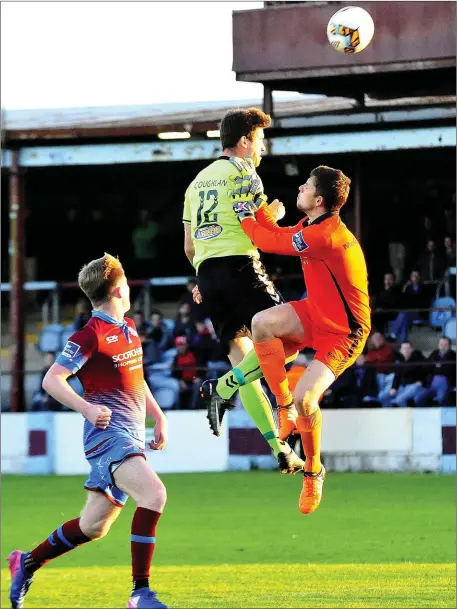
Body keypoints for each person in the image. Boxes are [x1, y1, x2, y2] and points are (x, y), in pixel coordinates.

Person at [202, 162, 371, 514]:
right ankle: (281, 405)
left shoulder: (323, 235)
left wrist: (245, 213)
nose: (300, 189)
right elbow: (276, 231)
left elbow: (269, 241)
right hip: (315, 312)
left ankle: (313, 471)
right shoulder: (314, 225)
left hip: (345, 332)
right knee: (262, 323)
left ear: (319, 199)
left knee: (307, 399)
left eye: (306, 186)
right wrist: (260, 209)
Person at [8, 253, 169, 609]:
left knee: (94, 526)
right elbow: (53, 379)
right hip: (109, 437)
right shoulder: (89, 335)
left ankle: (26, 562)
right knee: (154, 495)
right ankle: (140, 592)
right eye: (126, 280)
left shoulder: (128, 328)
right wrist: (86, 407)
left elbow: (136, 379)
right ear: (118, 289)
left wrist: (158, 416)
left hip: (129, 434)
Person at [183, 107, 304, 474]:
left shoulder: (196, 183)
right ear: (244, 141)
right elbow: (260, 232)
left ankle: (279, 448)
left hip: (207, 273)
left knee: (245, 357)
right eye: (260, 140)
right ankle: (220, 388)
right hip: (240, 267)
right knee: (287, 341)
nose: (262, 149)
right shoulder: (244, 172)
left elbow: (190, 247)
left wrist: (205, 278)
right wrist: (276, 216)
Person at [381, 341, 426, 407]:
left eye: (408, 348)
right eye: (404, 348)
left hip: (413, 386)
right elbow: (397, 376)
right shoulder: (400, 362)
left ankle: (404, 415)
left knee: (399, 399)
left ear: (411, 350)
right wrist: (394, 388)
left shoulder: (418, 359)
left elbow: (425, 371)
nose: (406, 350)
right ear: (401, 351)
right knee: (382, 396)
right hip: (402, 387)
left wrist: (422, 381)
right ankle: (388, 414)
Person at [415, 337, 456, 406]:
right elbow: (426, 367)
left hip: (445, 384)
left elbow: (449, 369)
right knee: (418, 398)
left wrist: (437, 367)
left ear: (449, 346)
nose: (443, 346)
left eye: (445, 344)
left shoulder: (453, 355)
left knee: (441, 399)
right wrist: (438, 367)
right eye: (441, 344)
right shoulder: (435, 353)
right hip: (431, 384)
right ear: (438, 345)